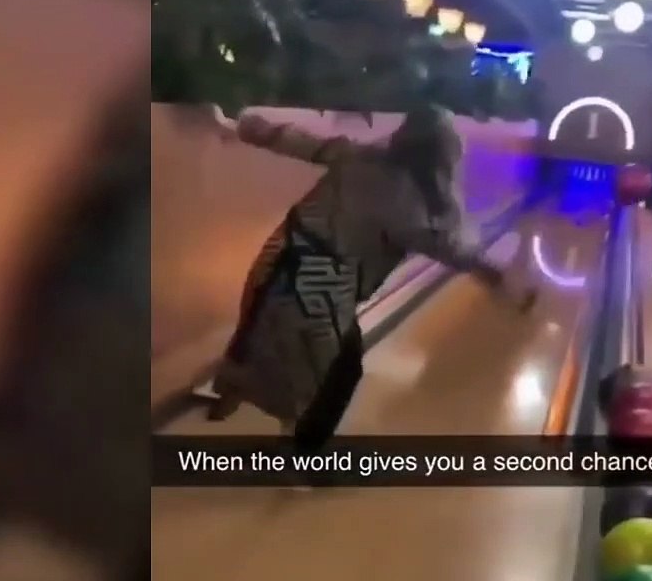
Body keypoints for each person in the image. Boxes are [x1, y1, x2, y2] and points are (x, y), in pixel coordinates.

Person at [199, 104, 538, 462]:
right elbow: (456, 251)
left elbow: (291, 139)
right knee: (337, 369)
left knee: (260, 333)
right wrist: (501, 282)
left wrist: (233, 126)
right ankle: (302, 456)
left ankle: (234, 397)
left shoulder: (359, 157)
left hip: (279, 257)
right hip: (317, 284)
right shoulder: (414, 206)